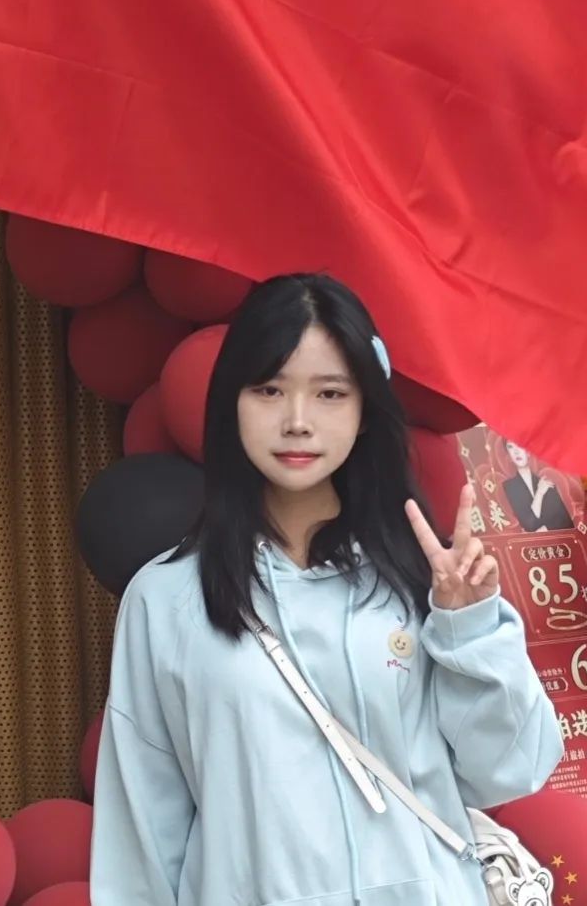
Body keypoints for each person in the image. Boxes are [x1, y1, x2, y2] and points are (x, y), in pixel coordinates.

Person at [90, 273, 563, 906]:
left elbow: (508, 769)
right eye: (269, 390)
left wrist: (471, 628)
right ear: (230, 403)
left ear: (365, 410)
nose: (297, 421)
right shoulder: (166, 600)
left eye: (330, 393)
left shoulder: (423, 580)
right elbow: (141, 836)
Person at [501, 440, 575, 533]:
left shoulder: (547, 482)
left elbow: (566, 521)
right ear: (509, 455)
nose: (516, 451)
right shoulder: (509, 487)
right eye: (510, 447)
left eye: (520, 445)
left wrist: (547, 528)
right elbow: (530, 524)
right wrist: (539, 493)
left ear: (528, 451)